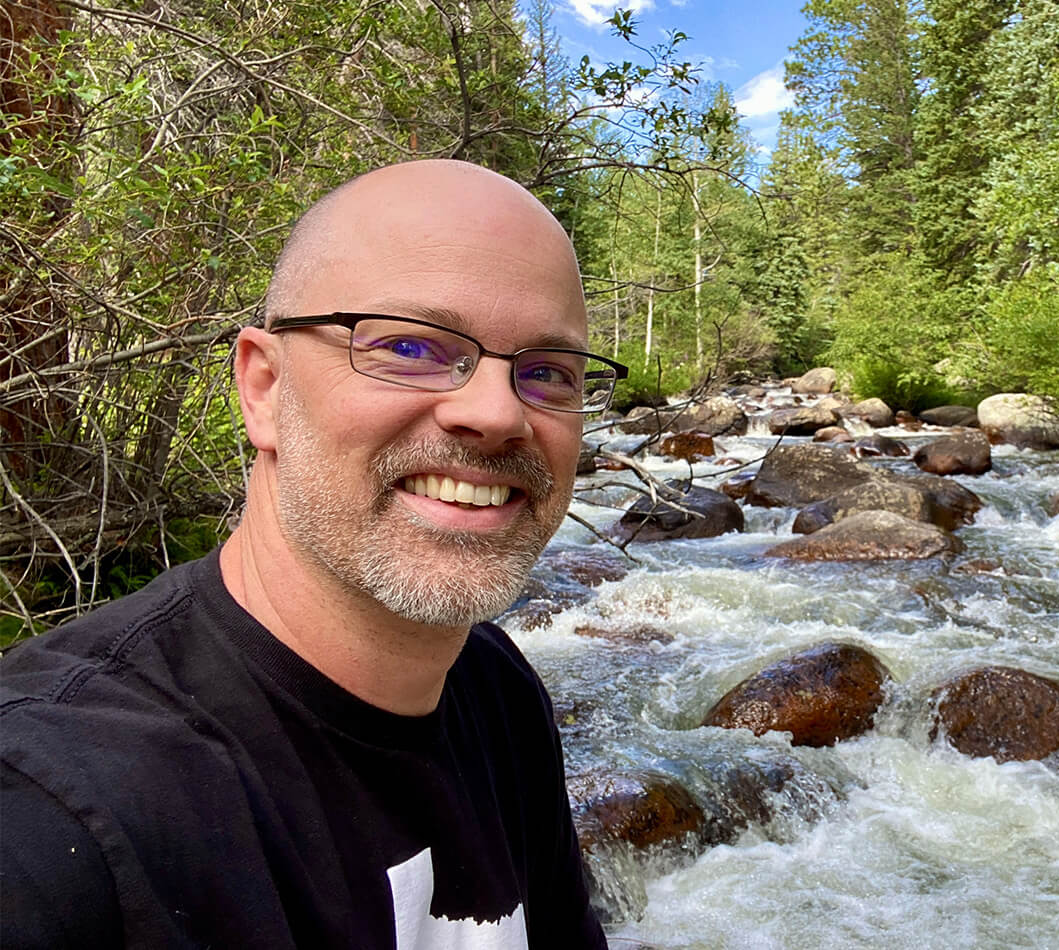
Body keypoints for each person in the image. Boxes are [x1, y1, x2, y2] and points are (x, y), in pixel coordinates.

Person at [0, 160, 623, 948]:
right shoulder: (54, 817)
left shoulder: (496, 691)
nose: (496, 412)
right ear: (263, 388)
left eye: (547, 373)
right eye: (409, 346)